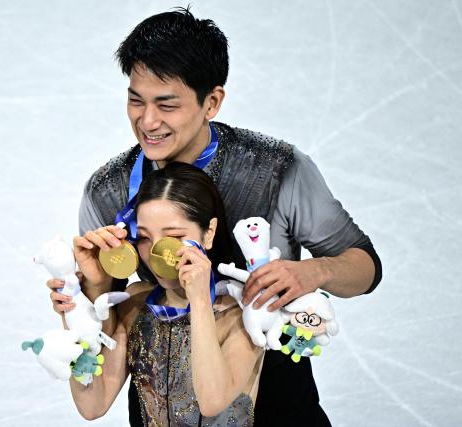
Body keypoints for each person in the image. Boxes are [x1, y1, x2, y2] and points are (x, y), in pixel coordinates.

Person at [49, 7, 382, 427]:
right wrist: (88, 291)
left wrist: (313, 272)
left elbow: (366, 268)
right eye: (136, 100)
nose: (147, 121)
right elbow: (109, 322)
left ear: (212, 102)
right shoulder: (108, 189)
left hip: (279, 409)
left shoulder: (277, 170)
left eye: (166, 104)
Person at [62, 162, 263, 425]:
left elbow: (212, 401)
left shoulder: (244, 315)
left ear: (209, 233)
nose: (157, 253)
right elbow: (92, 404)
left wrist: (200, 299)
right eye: (144, 238)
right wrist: (82, 299)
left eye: (174, 236)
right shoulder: (134, 304)